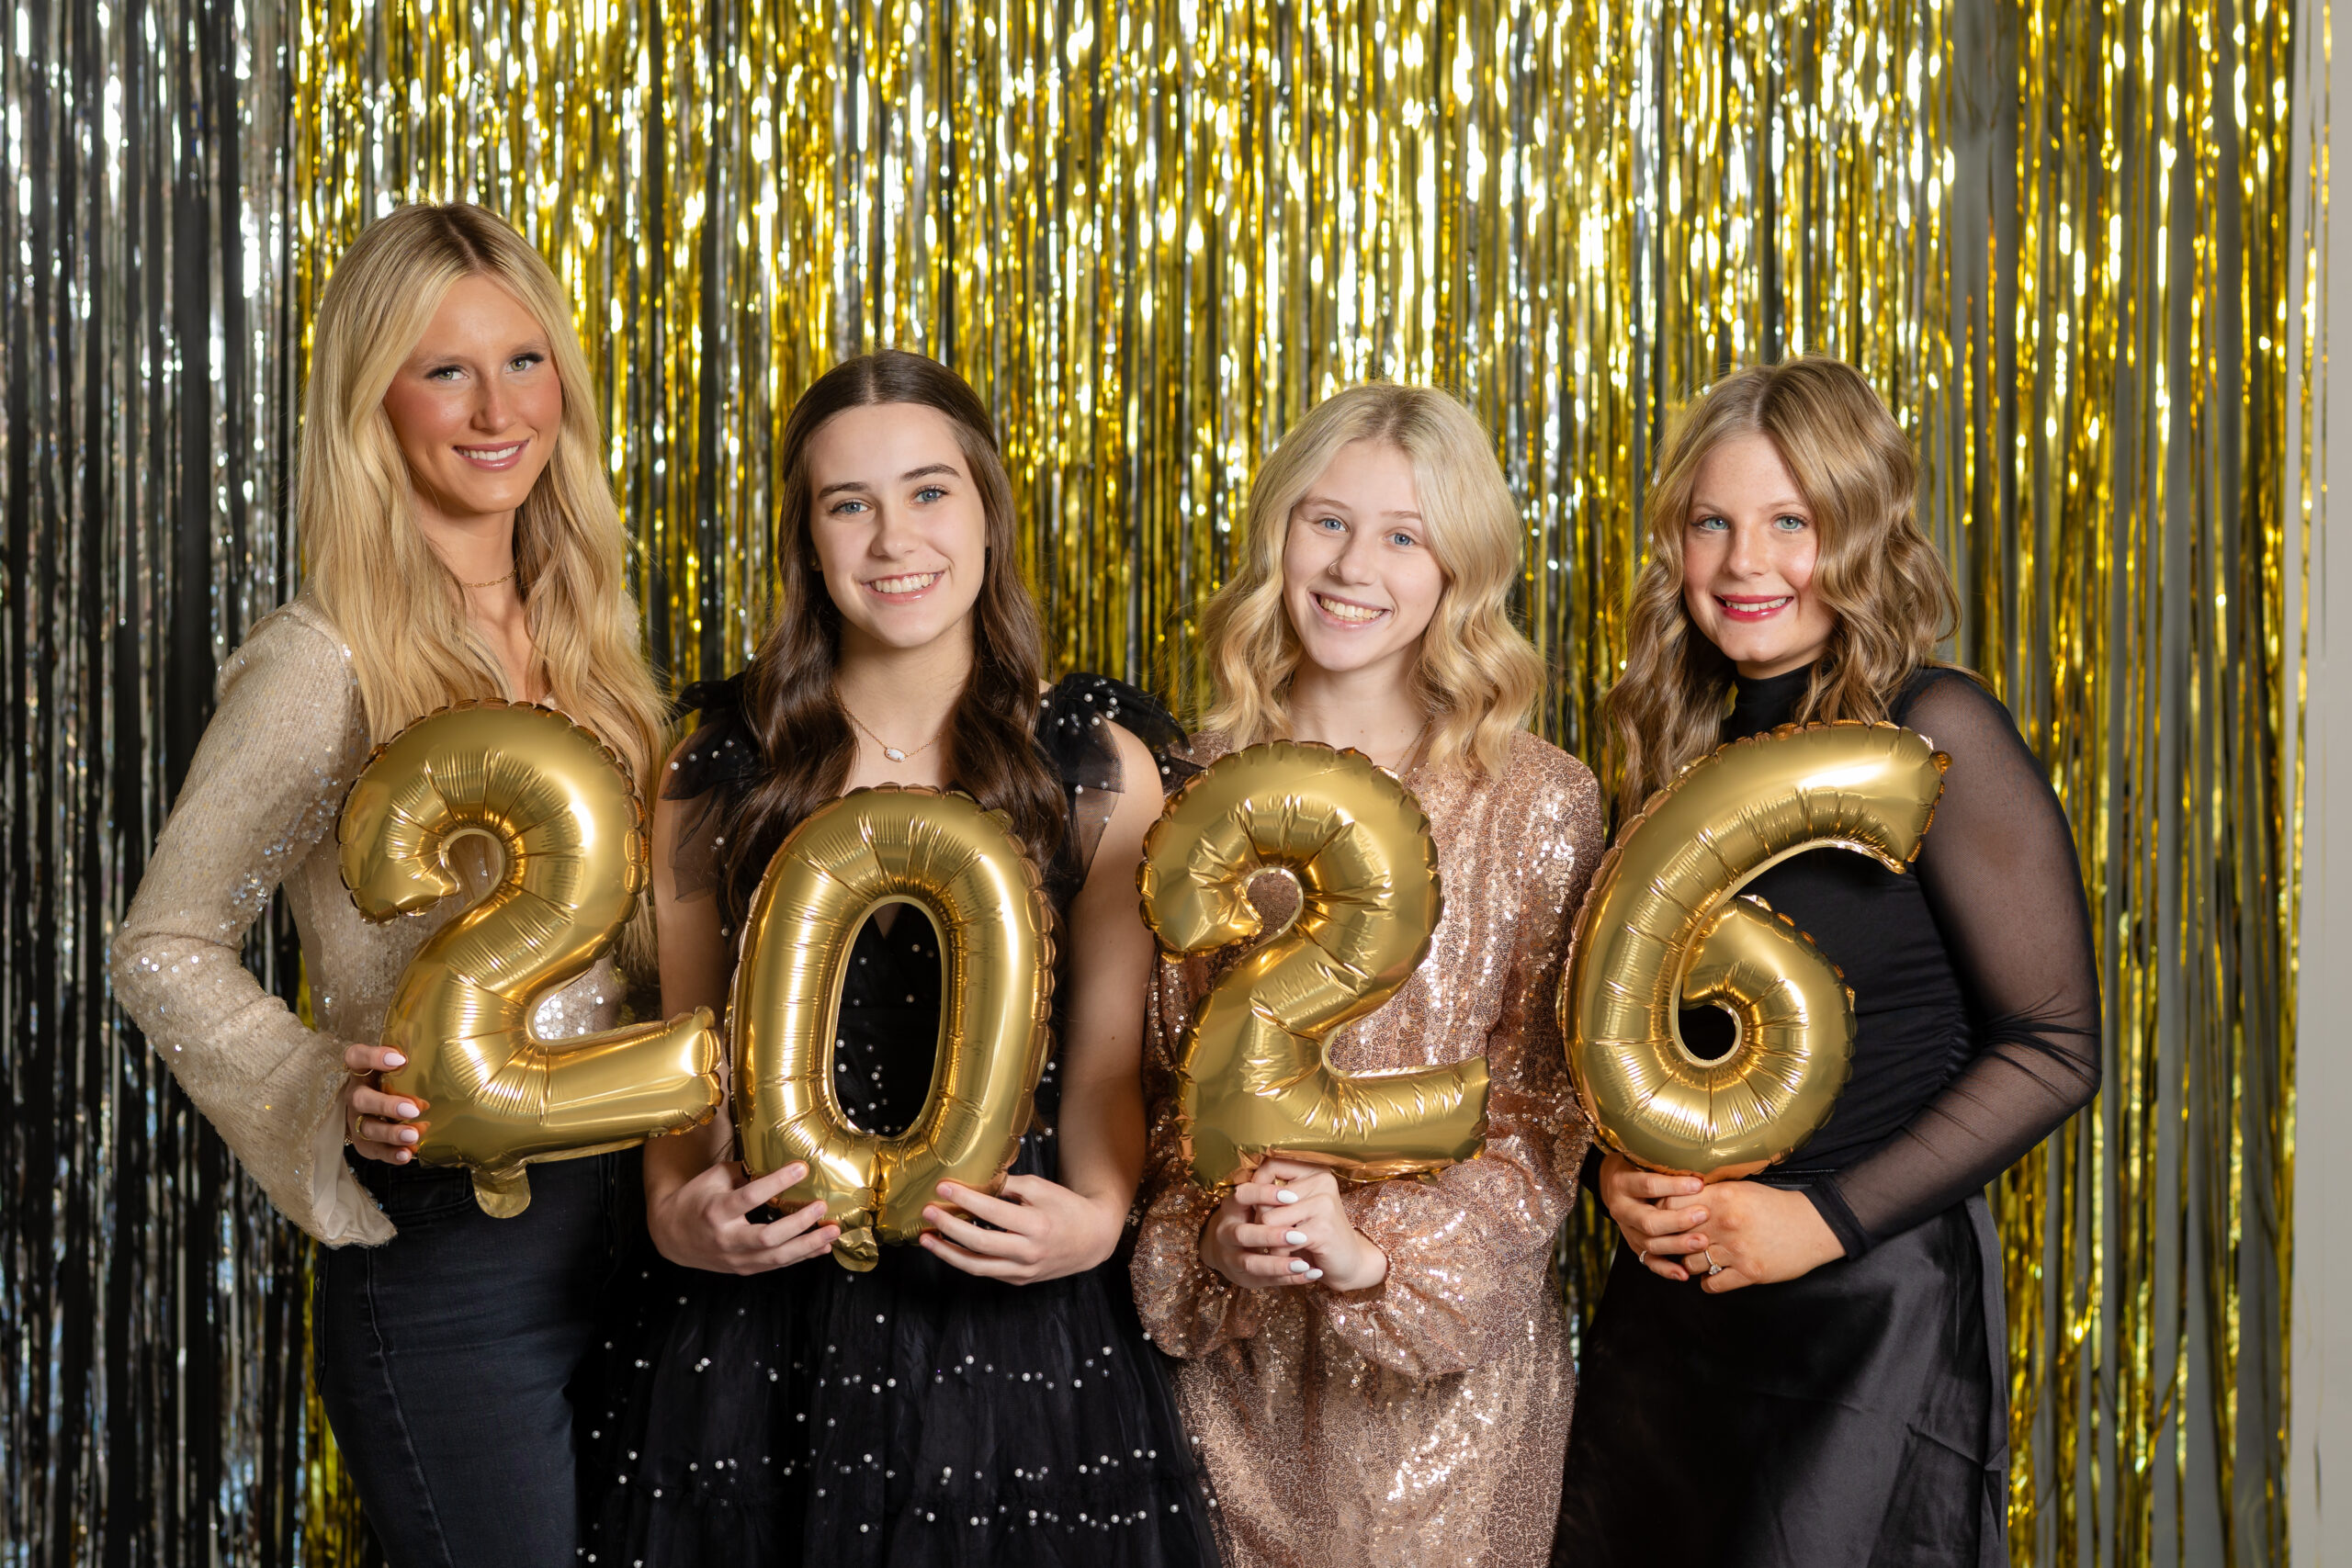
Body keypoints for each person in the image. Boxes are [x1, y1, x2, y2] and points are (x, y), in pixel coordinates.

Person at [578, 349, 1220, 1566]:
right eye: (848, 504)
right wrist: (677, 1211)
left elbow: (1103, 1067)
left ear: (986, 512)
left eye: (929, 492)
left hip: (1009, 1298)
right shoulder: (720, 763)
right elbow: (685, 1049)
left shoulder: (1093, 764)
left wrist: (1095, 1215)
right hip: (765, 1316)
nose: (893, 540)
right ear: (808, 542)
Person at [109, 203, 673, 1567]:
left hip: (648, 1222)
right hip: (455, 1257)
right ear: (376, 402)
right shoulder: (321, 663)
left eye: (525, 363)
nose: (498, 411)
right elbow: (163, 943)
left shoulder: (592, 632)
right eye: (446, 372)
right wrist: (320, 1089)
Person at [1550, 357, 2102, 1566]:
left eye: (1790, 523)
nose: (1746, 565)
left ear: (1857, 530)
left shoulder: (1935, 727)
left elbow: (2057, 1046)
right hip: (1675, 1318)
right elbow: (1620, 1029)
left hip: (1869, 1307)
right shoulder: (1668, 750)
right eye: (1713, 524)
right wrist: (1612, 1177)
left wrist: (1824, 1221)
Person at [1129, 384, 1606, 1568]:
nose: (1353, 566)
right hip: (1227, 1396)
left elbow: (1545, 1117)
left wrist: (1374, 1256)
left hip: (1447, 1418)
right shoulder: (1181, 790)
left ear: (1461, 570)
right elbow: (1140, 1094)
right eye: (1325, 521)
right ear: (1278, 533)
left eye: (1404, 535)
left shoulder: (1537, 805)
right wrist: (1208, 1241)